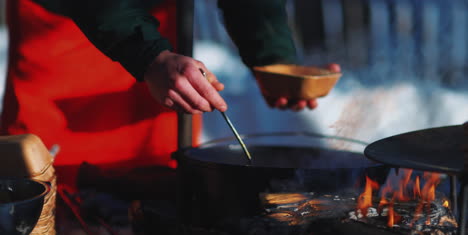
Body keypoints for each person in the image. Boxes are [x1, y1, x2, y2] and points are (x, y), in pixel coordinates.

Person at [2, 0, 339, 189]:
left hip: (160, 37)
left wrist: (272, 57)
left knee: (156, 190)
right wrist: (148, 53)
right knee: (44, 187)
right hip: (64, 25)